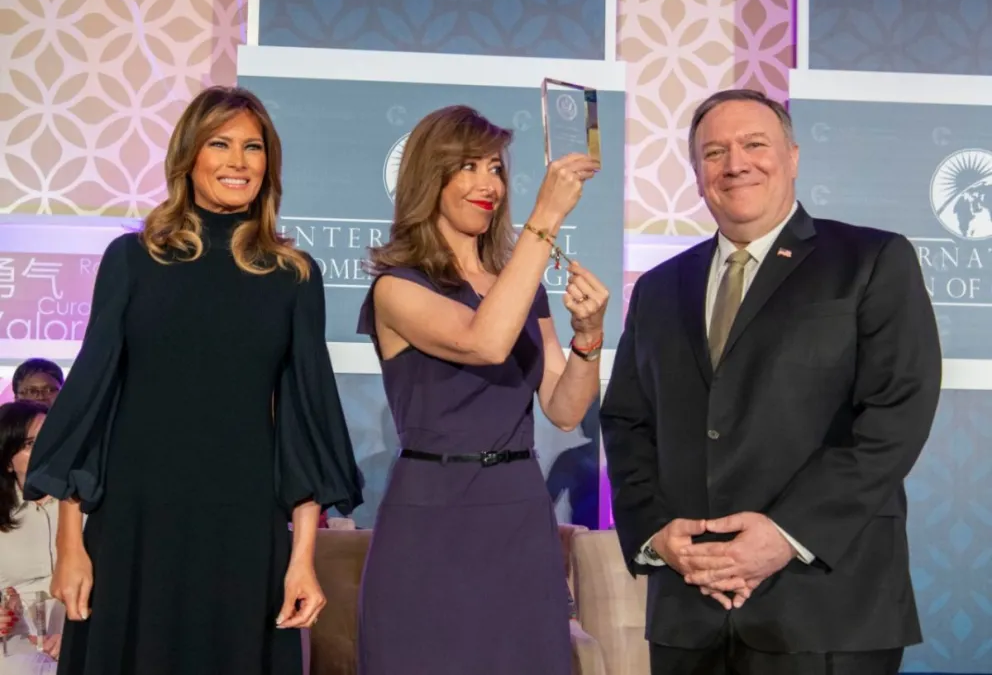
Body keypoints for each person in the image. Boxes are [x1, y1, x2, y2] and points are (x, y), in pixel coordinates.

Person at [23, 86, 363, 675]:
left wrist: (302, 558)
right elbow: (92, 407)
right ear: (189, 156)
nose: (239, 161)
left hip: (242, 526)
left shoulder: (292, 276)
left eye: (253, 147)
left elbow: (303, 425)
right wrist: (70, 544)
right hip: (134, 524)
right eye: (220, 144)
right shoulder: (133, 260)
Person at [601, 88, 941, 675]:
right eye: (714, 152)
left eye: (754, 144)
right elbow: (627, 421)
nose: (736, 164)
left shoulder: (871, 259)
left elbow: (896, 414)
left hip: (825, 607)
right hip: (690, 609)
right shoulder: (658, 288)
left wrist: (786, 534)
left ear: (793, 156)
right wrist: (656, 535)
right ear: (697, 174)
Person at [356, 105, 607, 675]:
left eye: (495, 168)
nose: (488, 183)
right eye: (467, 166)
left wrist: (589, 337)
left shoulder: (520, 287)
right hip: (432, 513)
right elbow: (485, 342)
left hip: (518, 509)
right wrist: (547, 217)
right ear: (430, 178)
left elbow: (565, 408)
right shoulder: (398, 288)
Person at [1, 400, 64, 675]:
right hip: (16, 642)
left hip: (83, 624)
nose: (44, 449)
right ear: (8, 461)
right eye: (29, 444)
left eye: (49, 437)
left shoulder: (85, 502)